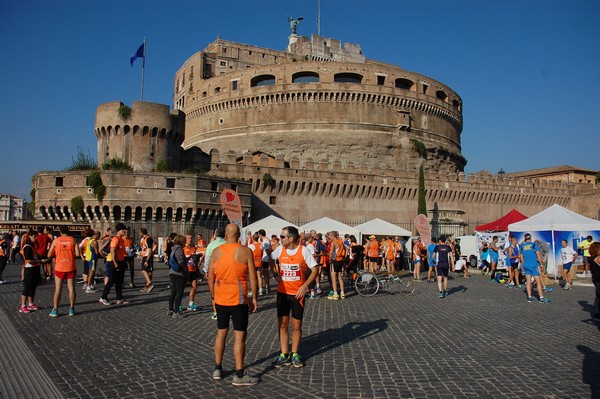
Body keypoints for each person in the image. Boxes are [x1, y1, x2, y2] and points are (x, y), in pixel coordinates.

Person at [207, 223, 259, 386]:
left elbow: (210, 278)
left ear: (225, 235)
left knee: (221, 332)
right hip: (239, 299)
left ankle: (217, 368)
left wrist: (213, 297)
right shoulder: (245, 251)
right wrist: (255, 297)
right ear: (238, 235)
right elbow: (253, 277)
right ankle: (239, 374)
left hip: (221, 298)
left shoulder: (216, 252)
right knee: (239, 336)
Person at [270, 226, 319, 368]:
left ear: (291, 238)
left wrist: (305, 286)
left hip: (297, 294)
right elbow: (271, 259)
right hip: (283, 293)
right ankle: (283, 354)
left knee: (296, 325)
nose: (280, 239)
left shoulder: (303, 251)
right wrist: (275, 275)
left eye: (282, 237)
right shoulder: (280, 249)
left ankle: (295, 353)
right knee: (283, 324)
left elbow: (315, 270)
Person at [47, 225, 80, 317]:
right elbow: (77, 254)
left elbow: (49, 254)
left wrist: (57, 253)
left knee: (58, 289)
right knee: (71, 288)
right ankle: (72, 309)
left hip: (59, 266)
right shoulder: (73, 240)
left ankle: (55, 309)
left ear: (60, 232)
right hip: (70, 266)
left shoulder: (56, 240)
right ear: (68, 231)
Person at [99, 223, 129, 306]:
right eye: (123, 229)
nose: (125, 231)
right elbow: (112, 252)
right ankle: (103, 297)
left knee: (119, 281)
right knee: (112, 280)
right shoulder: (115, 239)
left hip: (121, 261)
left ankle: (119, 298)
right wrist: (115, 263)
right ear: (119, 230)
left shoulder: (122, 239)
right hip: (116, 262)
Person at [519, 233, 550, 303]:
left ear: (524, 239)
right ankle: (541, 297)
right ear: (530, 238)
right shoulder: (534, 245)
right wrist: (541, 264)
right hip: (534, 265)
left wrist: (524, 264)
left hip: (526, 265)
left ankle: (530, 297)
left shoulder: (522, 246)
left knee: (528, 281)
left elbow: (521, 256)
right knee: (538, 281)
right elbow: (538, 255)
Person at [19, 231, 44, 313]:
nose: (36, 238)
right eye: (34, 236)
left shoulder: (32, 246)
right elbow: (28, 260)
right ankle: (23, 305)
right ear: (30, 236)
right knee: (27, 287)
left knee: (33, 286)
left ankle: (30, 303)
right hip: (29, 269)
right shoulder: (27, 247)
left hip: (35, 268)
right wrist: (39, 260)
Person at [204, 226, 226, 320]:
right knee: (224, 290)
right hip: (225, 270)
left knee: (213, 291)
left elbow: (207, 259)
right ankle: (225, 310)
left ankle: (216, 312)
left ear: (215, 235)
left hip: (213, 271)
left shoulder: (211, 245)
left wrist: (206, 270)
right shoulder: (227, 244)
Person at [167, 235, 188, 318]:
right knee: (179, 292)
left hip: (172, 272)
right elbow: (181, 261)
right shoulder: (179, 249)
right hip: (179, 273)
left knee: (173, 292)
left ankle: (170, 309)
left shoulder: (173, 248)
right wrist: (185, 269)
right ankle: (176, 311)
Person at [184, 233, 201, 311]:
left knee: (194, 286)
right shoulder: (182, 248)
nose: (190, 240)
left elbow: (195, 260)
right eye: (188, 238)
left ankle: (191, 303)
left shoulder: (193, 248)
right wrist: (190, 255)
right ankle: (179, 304)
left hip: (193, 269)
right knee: (181, 288)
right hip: (186, 270)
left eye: (191, 238)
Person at [327, 231, 346, 300]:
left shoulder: (334, 243)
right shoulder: (341, 242)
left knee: (333, 278)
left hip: (335, 261)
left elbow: (331, 252)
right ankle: (342, 293)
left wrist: (329, 259)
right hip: (341, 260)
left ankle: (335, 294)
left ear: (333, 236)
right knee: (340, 277)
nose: (329, 238)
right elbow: (346, 250)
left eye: (330, 236)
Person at [139, 228, 155, 293]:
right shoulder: (144, 239)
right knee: (148, 271)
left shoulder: (148, 239)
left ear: (142, 233)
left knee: (143, 270)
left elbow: (149, 249)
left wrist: (147, 259)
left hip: (147, 256)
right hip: (145, 255)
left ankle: (149, 283)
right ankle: (147, 286)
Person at [587, 242, 600, 321]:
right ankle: (597, 313)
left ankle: (597, 312)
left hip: (595, 278)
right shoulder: (596, 258)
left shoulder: (591, 258)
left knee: (598, 296)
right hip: (598, 278)